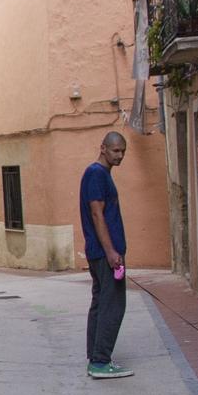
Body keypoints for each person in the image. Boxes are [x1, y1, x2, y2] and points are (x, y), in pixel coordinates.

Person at [80, 131, 132, 380]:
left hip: (102, 252)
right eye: (115, 150)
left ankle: (95, 358)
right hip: (105, 254)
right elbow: (96, 213)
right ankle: (101, 361)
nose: (120, 155)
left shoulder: (100, 174)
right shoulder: (96, 174)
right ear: (103, 148)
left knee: (101, 303)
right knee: (113, 305)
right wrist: (111, 251)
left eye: (123, 151)